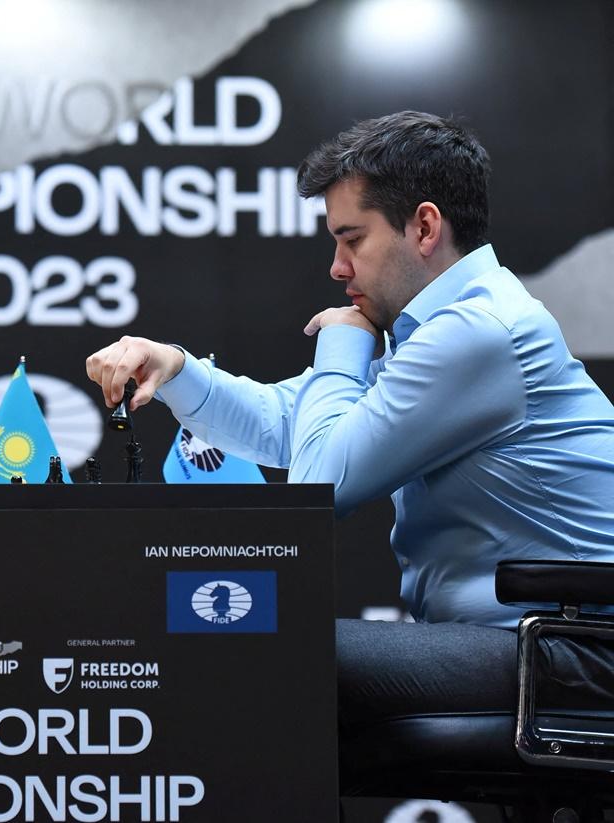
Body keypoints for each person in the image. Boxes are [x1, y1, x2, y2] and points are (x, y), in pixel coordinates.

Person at [85, 111, 614, 727]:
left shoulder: (479, 333)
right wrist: (175, 368)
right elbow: (290, 423)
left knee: (257, 641)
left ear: (423, 227)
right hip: (533, 641)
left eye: (352, 239)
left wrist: (342, 339)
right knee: (245, 639)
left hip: (573, 651)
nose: (337, 269)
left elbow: (315, 487)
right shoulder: (448, 325)